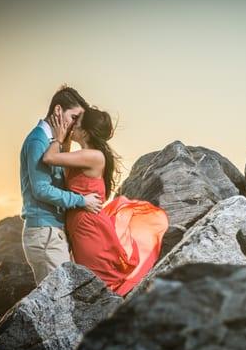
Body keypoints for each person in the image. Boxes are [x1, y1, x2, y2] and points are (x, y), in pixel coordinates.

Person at [42, 105, 168, 296]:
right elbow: (61, 161)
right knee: (91, 280)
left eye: (77, 123)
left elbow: (50, 158)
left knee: (99, 281)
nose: (72, 125)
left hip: (89, 227)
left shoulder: (93, 156)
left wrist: (58, 138)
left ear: (85, 133)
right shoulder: (85, 155)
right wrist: (64, 139)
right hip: (82, 224)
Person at [20, 86, 103, 284]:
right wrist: (82, 200)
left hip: (51, 232)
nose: (75, 125)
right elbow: (41, 190)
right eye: (74, 117)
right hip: (44, 234)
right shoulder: (37, 141)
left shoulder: (50, 141)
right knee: (61, 301)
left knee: (64, 299)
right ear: (58, 111)